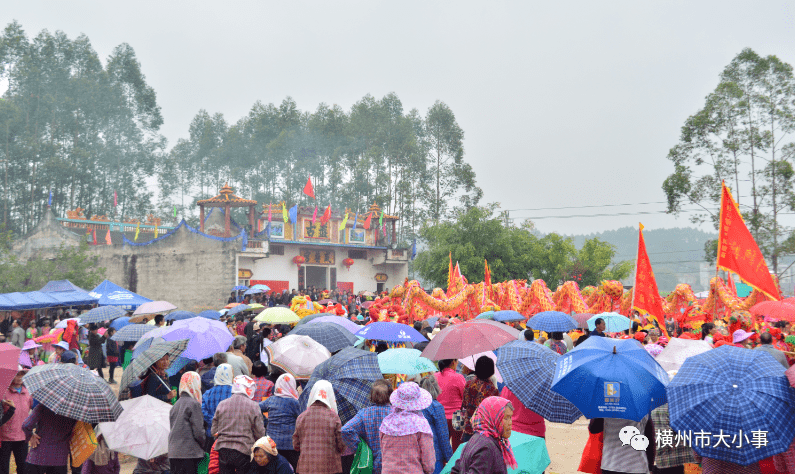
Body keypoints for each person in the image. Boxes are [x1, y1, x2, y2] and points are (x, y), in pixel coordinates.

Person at [213, 375, 266, 474]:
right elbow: (260, 433)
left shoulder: (222, 404)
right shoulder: (253, 406)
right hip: (244, 450)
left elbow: (214, 431)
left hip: (223, 449)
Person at [378, 382, 435, 474]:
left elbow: (383, 451)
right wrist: (428, 470)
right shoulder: (420, 424)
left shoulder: (386, 423)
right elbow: (428, 459)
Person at [450, 396, 516, 474]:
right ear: (493, 418)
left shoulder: (477, 438)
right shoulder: (487, 447)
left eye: (510, 417)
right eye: (506, 418)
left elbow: (456, 469)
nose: (510, 423)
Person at [292, 380, 345, 474]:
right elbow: (341, 445)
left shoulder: (301, 417)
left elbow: (296, 445)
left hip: (306, 467)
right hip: (330, 468)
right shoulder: (333, 417)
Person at [341, 380, 393, 474]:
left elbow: (345, 430)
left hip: (370, 463)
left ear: (372, 396)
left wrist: (360, 447)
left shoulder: (364, 413)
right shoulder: (396, 413)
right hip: (392, 464)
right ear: (390, 395)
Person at [259, 374, 302, 471]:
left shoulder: (271, 400)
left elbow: (256, 408)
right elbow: (301, 418)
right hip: (290, 445)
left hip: (272, 444)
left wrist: (265, 421)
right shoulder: (295, 403)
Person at [589, 415, 655, 474]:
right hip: (637, 465)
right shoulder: (642, 408)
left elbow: (593, 429)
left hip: (611, 464)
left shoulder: (607, 408)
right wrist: (650, 467)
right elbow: (650, 439)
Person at [169, 372, 206, 474]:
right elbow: (198, 431)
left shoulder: (175, 405)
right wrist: (204, 445)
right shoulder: (193, 404)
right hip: (188, 454)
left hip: (173, 453)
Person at [460, 357, 499, 443]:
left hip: (468, 427)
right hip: (483, 431)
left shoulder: (469, 384)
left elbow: (465, 403)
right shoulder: (492, 390)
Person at [419, 376, 452, 474]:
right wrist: (450, 460)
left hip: (418, 454)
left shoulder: (416, 406)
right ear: (436, 388)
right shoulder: (436, 406)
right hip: (434, 454)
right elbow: (443, 435)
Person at [0, 367, 30, 474]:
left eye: (22, 375)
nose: (20, 378)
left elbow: (34, 411)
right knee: (3, 468)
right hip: (5, 437)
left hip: (22, 437)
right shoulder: (4, 392)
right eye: (17, 375)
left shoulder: (27, 392)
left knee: (23, 467)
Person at [434, 359, 466, 452]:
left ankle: (444, 466)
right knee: (458, 447)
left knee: (442, 447)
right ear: (453, 362)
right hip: (458, 416)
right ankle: (456, 465)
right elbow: (464, 396)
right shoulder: (459, 377)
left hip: (440, 415)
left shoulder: (435, 376)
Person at [202, 364, 235, 442]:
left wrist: (215, 422)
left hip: (212, 435)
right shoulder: (235, 392)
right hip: (231, 434)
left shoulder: (208, 393)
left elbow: (203, 412)